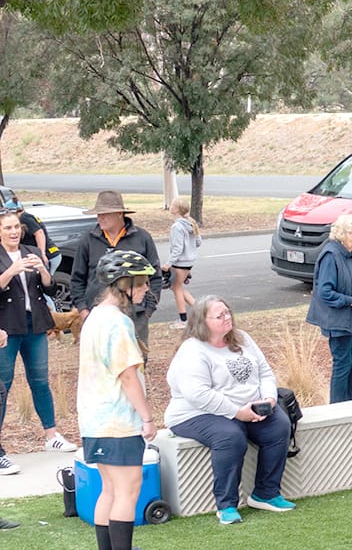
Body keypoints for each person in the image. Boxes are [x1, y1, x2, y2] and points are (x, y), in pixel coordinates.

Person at [79, 249, 169, 550]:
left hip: (95, 420)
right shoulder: (117, 322)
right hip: (118, 420)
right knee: (127, 491)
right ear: (122, 285)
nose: (146, 289)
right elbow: (128, 375)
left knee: (109, 489)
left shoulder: (94, 317)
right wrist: (147, 417)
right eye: (141, 283)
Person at [166, 296, 294, 525]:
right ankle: (226, 505)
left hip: (247, 408)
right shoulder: (192, 350)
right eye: (219, 315)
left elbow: (264, 372)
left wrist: (269, 399)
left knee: (279, 426)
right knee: (230, 436)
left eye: (227, 312)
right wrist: (237, 412)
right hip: (196, 413)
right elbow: (198, 394)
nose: (227, 317)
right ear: (202, 322)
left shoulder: (242, 338)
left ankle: (266, 493)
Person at [0, 210, 79, 462]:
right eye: (8, 228)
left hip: (34, 324)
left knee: (40, 381)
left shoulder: (31, 251)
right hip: (6, 328)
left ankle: (52, 435)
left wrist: (44, 272)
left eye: (16, 227)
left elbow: (50, 289)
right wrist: (11, 271)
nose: (14, 232)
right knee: (3, 385)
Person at [70, 190, 162, 345]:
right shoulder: (88, 240)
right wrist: (84, 311)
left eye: (105, 213)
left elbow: (155, 276)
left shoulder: (142, 238)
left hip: (135, 315)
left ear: (120, 214)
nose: (100, 218)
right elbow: (77, 279)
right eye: (98, 214)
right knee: (101, 357)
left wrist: (148, 310)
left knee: (135, 357)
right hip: (97, 314)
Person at [306, 213, 352, 404]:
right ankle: (338, 408)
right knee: (342, 365)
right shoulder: (331, 255)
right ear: (341, 234)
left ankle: (350, 404)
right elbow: (324, 292)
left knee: (351, 364)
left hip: (351, 319)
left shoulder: (349, 254)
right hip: (337, 321)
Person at [165, 196, 202, 329]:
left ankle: (183, 320)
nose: (170, 207)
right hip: (189, 261)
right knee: (178, 286)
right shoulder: (191, 223)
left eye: (172, 205)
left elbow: (177, 249)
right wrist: (189, 249)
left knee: (176, 288)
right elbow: (198, 242)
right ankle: (200, 311)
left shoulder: (177, 226)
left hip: (179, 262)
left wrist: (168, 264)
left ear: (176, 209)